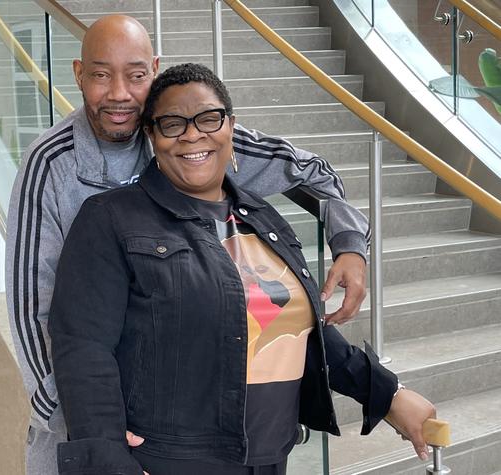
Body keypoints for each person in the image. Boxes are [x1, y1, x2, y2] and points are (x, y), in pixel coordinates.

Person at [7, 15, 370, 474]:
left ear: (154, 71)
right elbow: (31, 308)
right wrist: (93, 426)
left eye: (136, 76)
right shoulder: (51, 165)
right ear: (79, 74)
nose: (119, 93)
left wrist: (351, 243)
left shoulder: (192, 139)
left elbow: (315, 173)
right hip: (103, 423)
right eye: (101, 75)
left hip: (196, 423)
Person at [48, 63, 436, 475]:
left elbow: (294, 329)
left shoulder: (263, 218)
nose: (193, 135)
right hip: (170, 462)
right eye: (172, 124)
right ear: (152, 136)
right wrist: (108, 461)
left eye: (208, 119)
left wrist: (387, 392)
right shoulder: (111, 219)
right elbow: (83, 348)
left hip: (270, 457)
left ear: (230, 126)